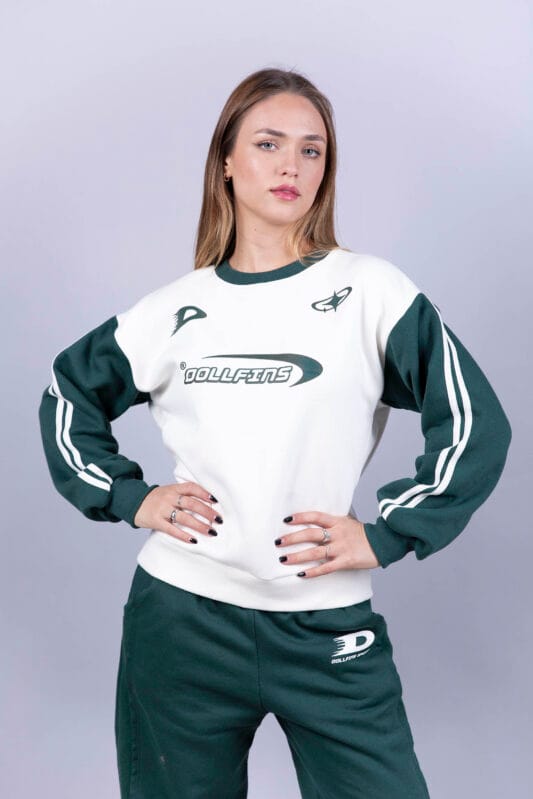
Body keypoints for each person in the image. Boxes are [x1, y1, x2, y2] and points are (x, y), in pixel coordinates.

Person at [38, 67, 512, 799]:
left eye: (311, 149)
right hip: (181, 622)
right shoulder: (173, 310)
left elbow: (475, 422)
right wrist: (130, 496)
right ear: (226, 161)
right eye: (268, 143)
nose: (291, 164)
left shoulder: (370, 292)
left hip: (323, 623)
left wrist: (392, 531)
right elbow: (68, 394)